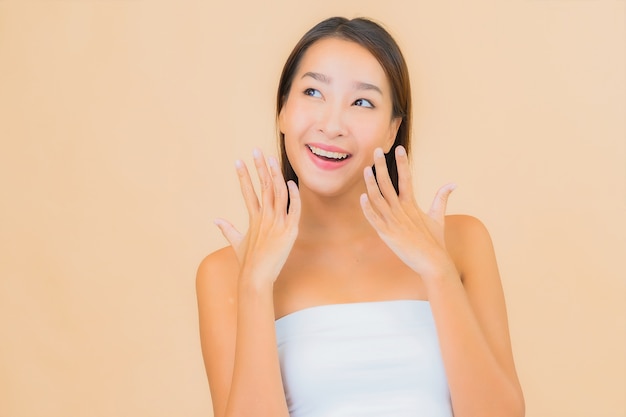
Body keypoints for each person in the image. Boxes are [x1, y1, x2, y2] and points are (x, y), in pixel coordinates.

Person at [196, 16, 525, 417]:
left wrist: (436, 270)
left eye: (362, 102)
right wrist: (256, 285)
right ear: (282, 112)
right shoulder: (227, 271)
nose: (331, 125)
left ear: (392, 130)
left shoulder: (462, 242)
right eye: (313, 91)